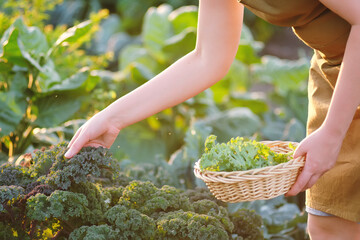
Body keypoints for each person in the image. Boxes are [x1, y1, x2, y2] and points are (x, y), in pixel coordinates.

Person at [65, 0, 360, 239]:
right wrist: (111, 118)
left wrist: (333, 134)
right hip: (338, 75)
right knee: (330, 224)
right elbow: (208, 57)